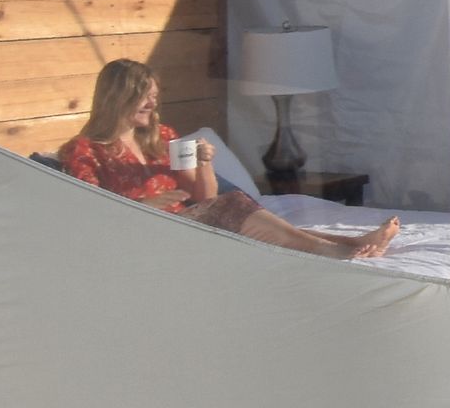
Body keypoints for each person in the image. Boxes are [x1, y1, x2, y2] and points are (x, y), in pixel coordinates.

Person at [60, 59, 399, 260]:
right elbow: (92, 212)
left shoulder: (162, 137)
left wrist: (205, 162)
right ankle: (331, 250)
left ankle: (352, 244)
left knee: (237, 208)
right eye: (143, 98)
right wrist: (150, 202)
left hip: (186, 220)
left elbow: (204, 197)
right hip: (144, 230)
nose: (152, 104)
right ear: (118, 98)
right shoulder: (84, 150)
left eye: (154, 97)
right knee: (236, 205)